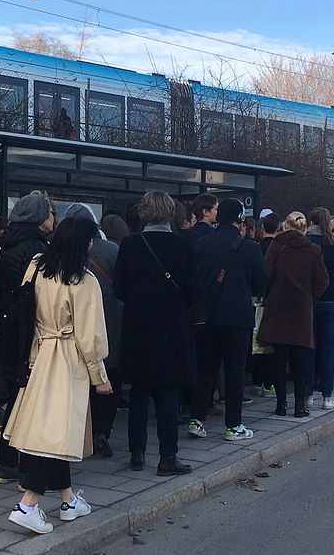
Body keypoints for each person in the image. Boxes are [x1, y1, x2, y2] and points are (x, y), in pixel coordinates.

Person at [4, 216, 112, 534]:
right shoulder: (84, 280)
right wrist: (99, 375)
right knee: (54, 436)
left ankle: (68, 500)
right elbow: (90, 336)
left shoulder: (37, 266)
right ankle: (28, 503)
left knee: (53, 432)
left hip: (39, 354)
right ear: (84, 243)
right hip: (67, 359)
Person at [116, 191, 198, 475]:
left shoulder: (129, 245)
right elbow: (194, 291)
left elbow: (119, 289)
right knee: (167, 391)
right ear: (171, 213)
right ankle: (167, 456)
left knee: (139, 389)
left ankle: (136, 452)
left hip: (138, 325)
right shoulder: (182, 246)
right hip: (171, 326)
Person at [189, 199, 267, 441]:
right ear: (240, 220)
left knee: (206, 369)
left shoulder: (201, 243)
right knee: (234, 372)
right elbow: (261, 283)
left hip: (207, 316)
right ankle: (233, 425)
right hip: (237, 317)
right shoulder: (250, 248)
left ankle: (196, 418)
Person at [0, 191, 55, 485]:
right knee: (29, 399)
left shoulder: (9, 245)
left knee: (15, 395)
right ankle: (23, 464)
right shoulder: (37, 249)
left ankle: (6, 462)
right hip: (31, 331)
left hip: (9, 328)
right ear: (41, 218)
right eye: (50, 213)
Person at [62, 204, 122, 458]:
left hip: (72, 331)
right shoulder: (112, 250)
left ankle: (79, 434)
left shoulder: (60, 253)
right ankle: (101, 432)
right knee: (108, 382)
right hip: (109, 328)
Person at [258, 211, 329, 417]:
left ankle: (281, 404)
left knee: (279, 361)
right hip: (302, 311)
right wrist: (310, 298)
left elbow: (266, 275)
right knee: (302, 362)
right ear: (304, 227)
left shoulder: (276, 246)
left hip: (278, 308)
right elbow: (322, 281)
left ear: (285, 226)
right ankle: (300, 405)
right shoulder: (314, 250)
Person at [306, 207, 334, 410]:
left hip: (310, 300)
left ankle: (307, 394)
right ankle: (327, 396)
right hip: (332, 299)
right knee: (329, 350)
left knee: (309, 347)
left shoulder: (307, 243)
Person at [250, 212, 281, 398]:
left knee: (256, 344)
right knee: (270, 344)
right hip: (272, 300)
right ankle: (269, 384)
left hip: (256, 301)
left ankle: (257, 381)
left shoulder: (257, 248)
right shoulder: (279, 249)